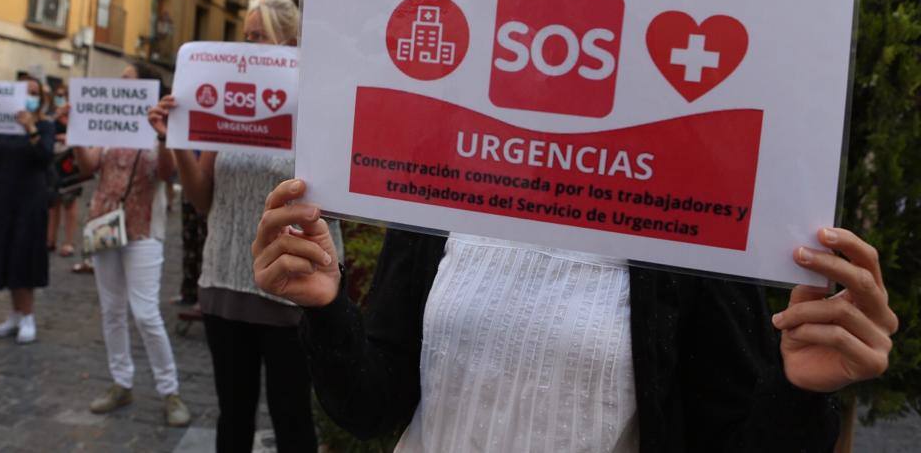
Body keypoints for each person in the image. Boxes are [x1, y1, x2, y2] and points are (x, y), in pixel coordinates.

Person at [252, 178, 898, 452]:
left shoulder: (686, 213)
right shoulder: (449, 181)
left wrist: (801, 390)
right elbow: (372, 403)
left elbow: (729, 439)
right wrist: (328, 308)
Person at [147, 0, 336, 453]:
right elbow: (201, 200)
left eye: (257, 37)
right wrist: (175, 141)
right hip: (225, 285)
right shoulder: (227, 109)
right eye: (245, 36)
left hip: (289, 288)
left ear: (290, 43)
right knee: (233, 415)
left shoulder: (317, 112)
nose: (247, 47)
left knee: (292, 418)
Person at [74, 62, 191, 428]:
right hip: (105, 225)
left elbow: (167, 174)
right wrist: (78, 132)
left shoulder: (159, 125)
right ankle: (121, 382)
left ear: (144, 87)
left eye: (127, 79)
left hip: (143, 230)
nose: (120, 84)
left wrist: (161, 134)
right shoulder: (110, 125)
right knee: (111, 310)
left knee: (145, 313)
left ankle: (169, 390)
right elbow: (88, 166)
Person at [0, 75, 54, 345]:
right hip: (4, 199)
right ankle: (15, 315)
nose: (30, 96)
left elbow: (44, 156)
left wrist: (31, 129)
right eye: (26, 91)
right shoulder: (4, 127)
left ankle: (29, 315)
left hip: (30, 201)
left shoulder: (44, 126)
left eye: (34, 92)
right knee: (6, 253)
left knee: (24, 255)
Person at [47, 83, 80, 258]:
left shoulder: (76, 115)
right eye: (58, 95)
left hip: (70, 163)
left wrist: (69, 136)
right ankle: (50, 239)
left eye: (63, 95)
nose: (60, 97)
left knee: (70, 201)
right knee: (52, 203)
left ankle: (68, 242)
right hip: (53, 162)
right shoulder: (52, 115)